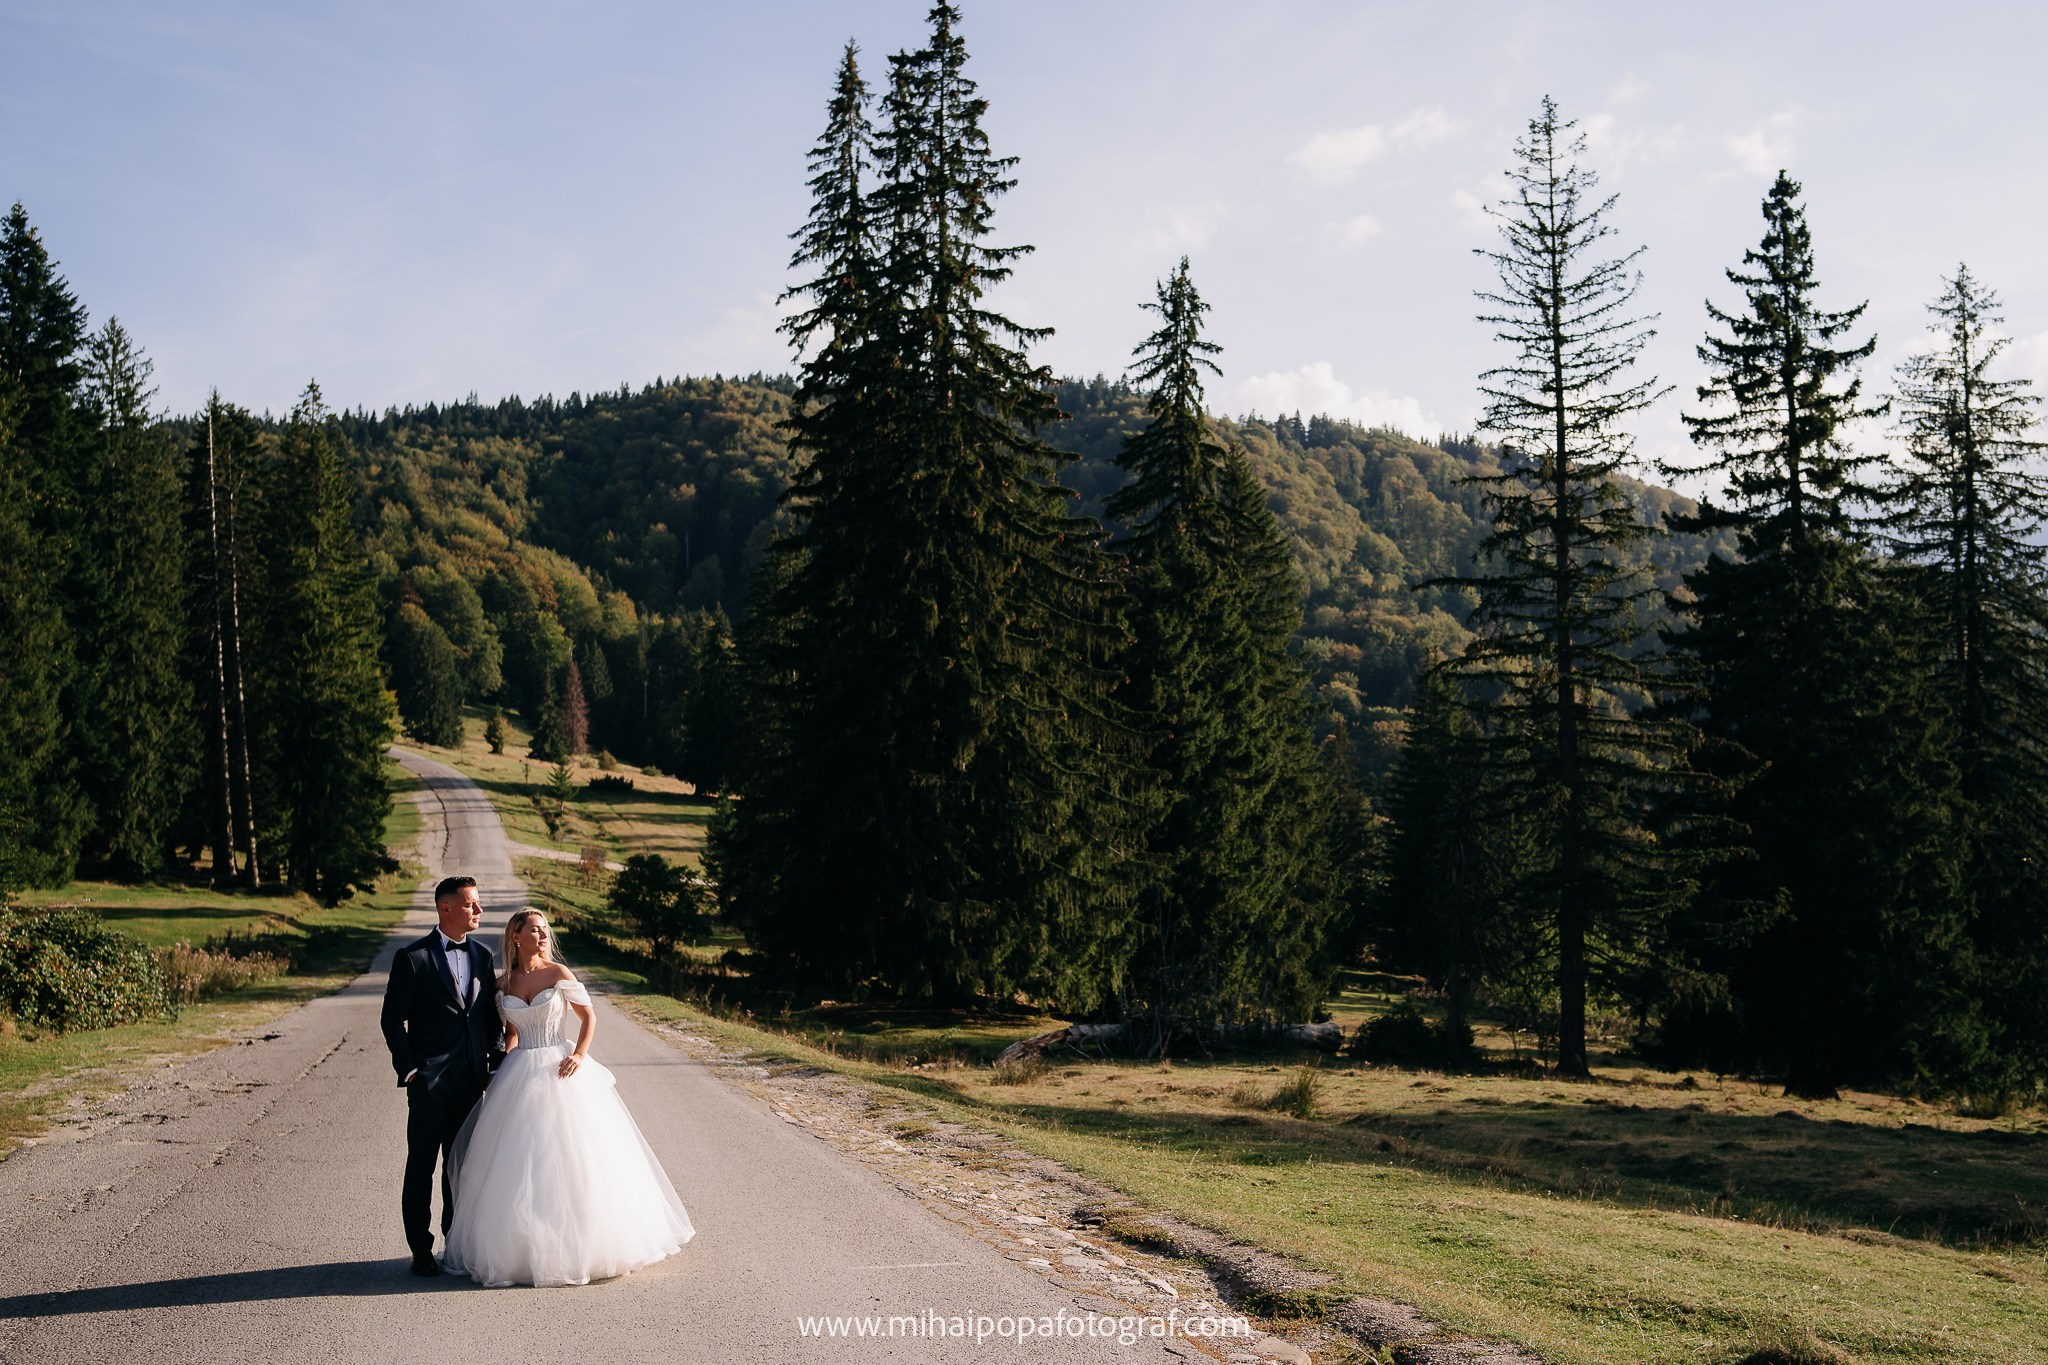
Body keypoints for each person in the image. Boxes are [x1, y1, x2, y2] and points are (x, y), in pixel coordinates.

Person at [440, 907, 695, 1287]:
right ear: (516, 936)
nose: (542, 936)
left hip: (560, 1064)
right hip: (519, 1069)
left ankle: (586, 1242)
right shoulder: (503, 984)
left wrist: (578, 1055)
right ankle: (526, 1245)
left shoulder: (558, 973)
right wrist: (501, 1070)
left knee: (574, 1157)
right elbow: (510, 1034)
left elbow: (589, 1018)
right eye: (534, 930)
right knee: (521, 1161)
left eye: (545, 930)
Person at [379, 874, 502, 1277]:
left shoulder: (484, 956)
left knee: (462, 1167)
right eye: (471, 904)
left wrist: (496, 1063)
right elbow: (392, 1020)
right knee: (422, 1166)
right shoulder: (412, 958)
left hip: (471, 1082)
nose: (478, 910)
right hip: (429, 1084)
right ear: (445, 908)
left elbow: (489, 1019)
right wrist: (412, 1070)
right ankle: (420, 1249)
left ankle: (456, 1242)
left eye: (478, 903)